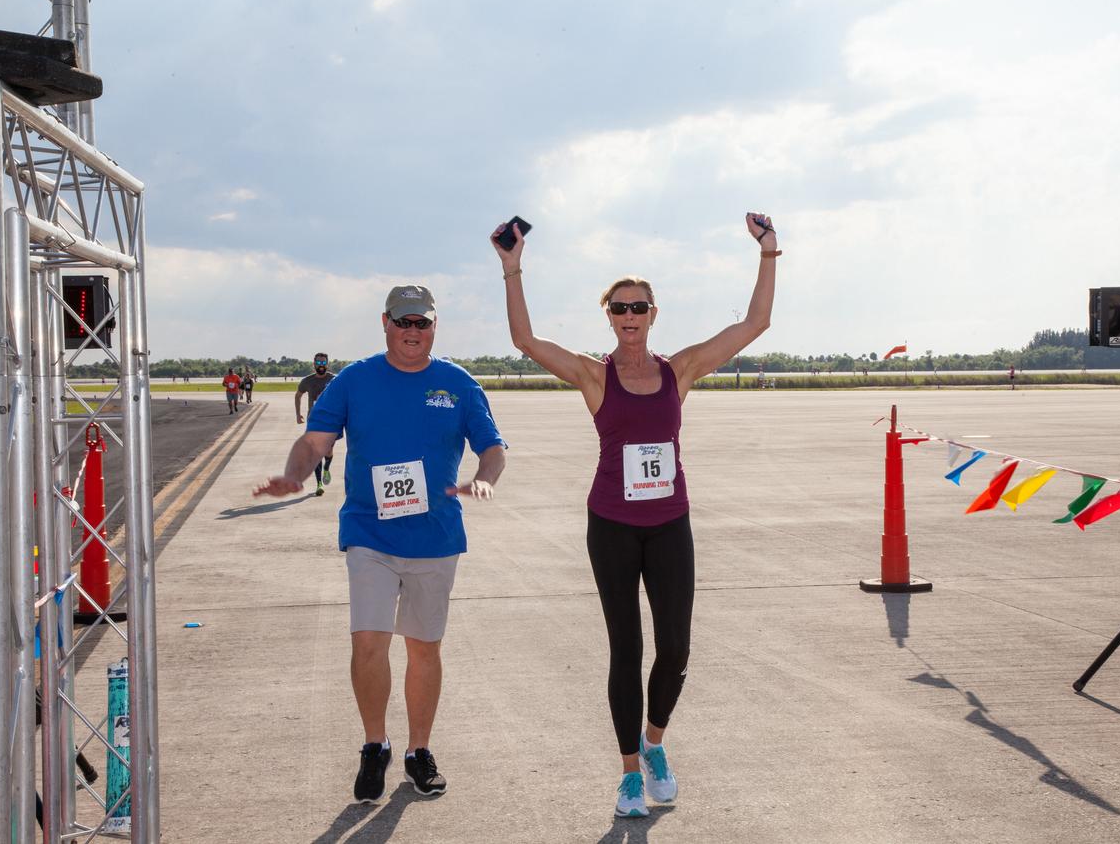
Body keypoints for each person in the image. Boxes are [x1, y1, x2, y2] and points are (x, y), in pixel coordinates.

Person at [493, 212, 778, 818]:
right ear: (609, 316)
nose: (629, 317)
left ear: (653, 314)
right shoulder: (594, 376)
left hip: (670, 524)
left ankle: (654, 744)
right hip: (613, 527)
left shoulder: (681, 371)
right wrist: (512, 269)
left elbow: (755, 323)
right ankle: (628, 776)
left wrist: (768, 252)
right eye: (619, 308)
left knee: (674, 649)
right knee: (626, 648)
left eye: (638, 307)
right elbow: (525, 340)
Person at [255, 285, 507, 804]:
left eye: (423, 323)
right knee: (368, 641)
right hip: (370, 532)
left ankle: (418, 751)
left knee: (422, 647)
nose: (413, 331)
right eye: (404, 322)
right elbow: (315, 442)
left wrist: (485, 477)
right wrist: (295, 476)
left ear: (435, 326)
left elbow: (492, 447)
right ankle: (376, 745)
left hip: (435, 538)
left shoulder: (457, 383)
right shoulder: (354, 380)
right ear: (386, 323)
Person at [296, 353, 339, 497]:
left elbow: (344, 396)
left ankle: (327, 468)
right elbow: (298, 395)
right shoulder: (307, 381)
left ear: (327, 364)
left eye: (323, 362)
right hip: (314, 422)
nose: (321, 365)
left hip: (331, 421)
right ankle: (319, 484)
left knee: (328, 452)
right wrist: (298, 414)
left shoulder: (334, 379)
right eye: (318, 363)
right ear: (314, 364)